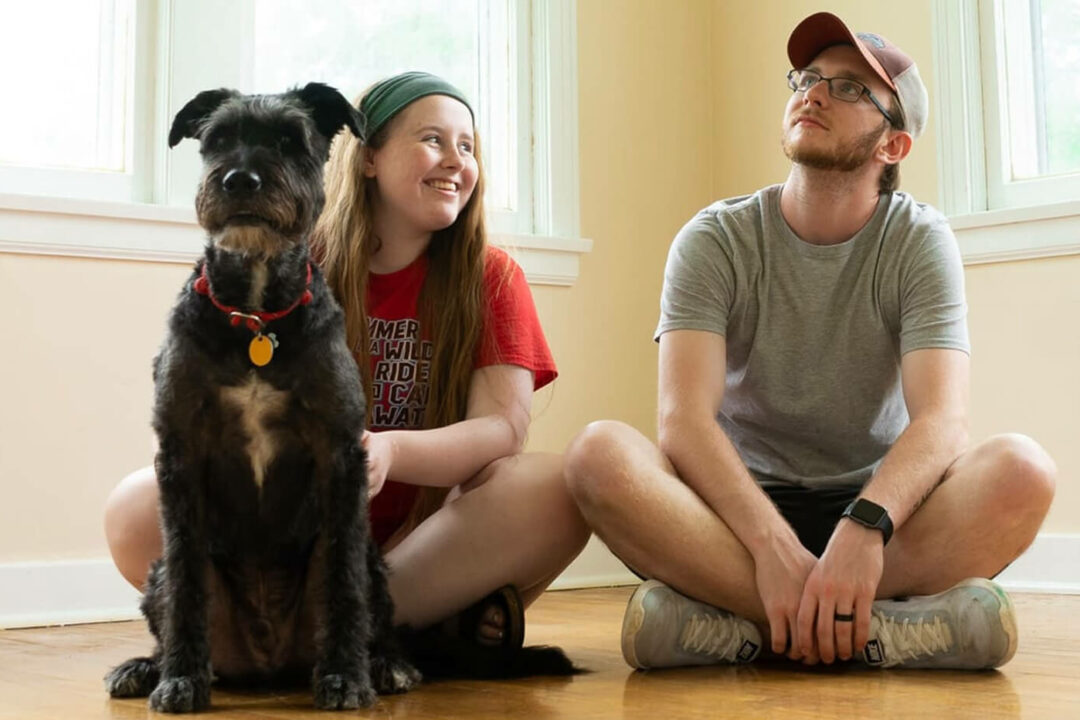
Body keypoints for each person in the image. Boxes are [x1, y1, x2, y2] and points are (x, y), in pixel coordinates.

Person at [564, 12, 1056, 671]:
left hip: (880, 513)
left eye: (851, 88)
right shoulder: (715, 238)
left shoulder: (918, 240)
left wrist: (865, 527)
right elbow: (683, 420)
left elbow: (943, 421)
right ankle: (885, 629)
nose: (815, 92)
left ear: (893, 147)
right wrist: (768, 543)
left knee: (1024, 471)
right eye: (809, 77)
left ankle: (737, 626)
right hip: (737, 514)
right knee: (598, 456)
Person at [105, 71, 589, 649]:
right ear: (367, 158)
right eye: (432, 139)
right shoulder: (291, 259)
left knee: (558, 486)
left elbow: (504, 430)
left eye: (468, 146)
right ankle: (406, 631)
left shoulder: (493, 276)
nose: (455, 160)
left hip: (427, 540)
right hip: (287, 540)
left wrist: (389, 449)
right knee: (134, 506)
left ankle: (353, 623)